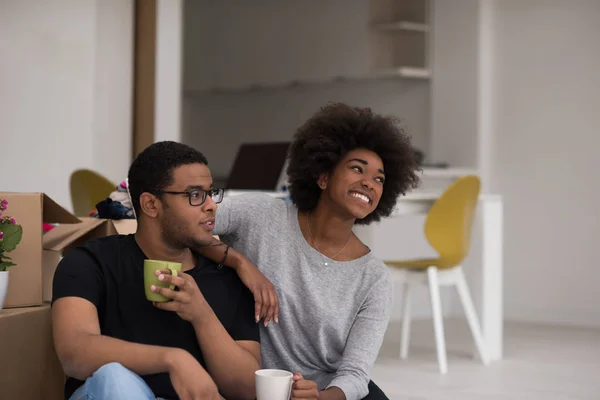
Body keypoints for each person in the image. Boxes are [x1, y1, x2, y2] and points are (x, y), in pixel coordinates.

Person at [199, 103, 420, 400]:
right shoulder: (260, 214)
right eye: (357, 169)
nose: (369, 182)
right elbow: (191, 223)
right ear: (323, 176)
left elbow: (355, 374)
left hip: (326, 392)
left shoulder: (373, 277)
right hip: (255, 382)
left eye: (379, 178)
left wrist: (320, 397)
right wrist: (239, 261)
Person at [51, 141, 261, 400]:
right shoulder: (92, 261)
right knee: (114, 378)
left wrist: (201, 315)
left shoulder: (229, 278)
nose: (211, 206)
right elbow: (74, 353)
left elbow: (249, 390)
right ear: (151, 205)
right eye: (195, 195)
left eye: (210, 193)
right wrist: (173, 359)